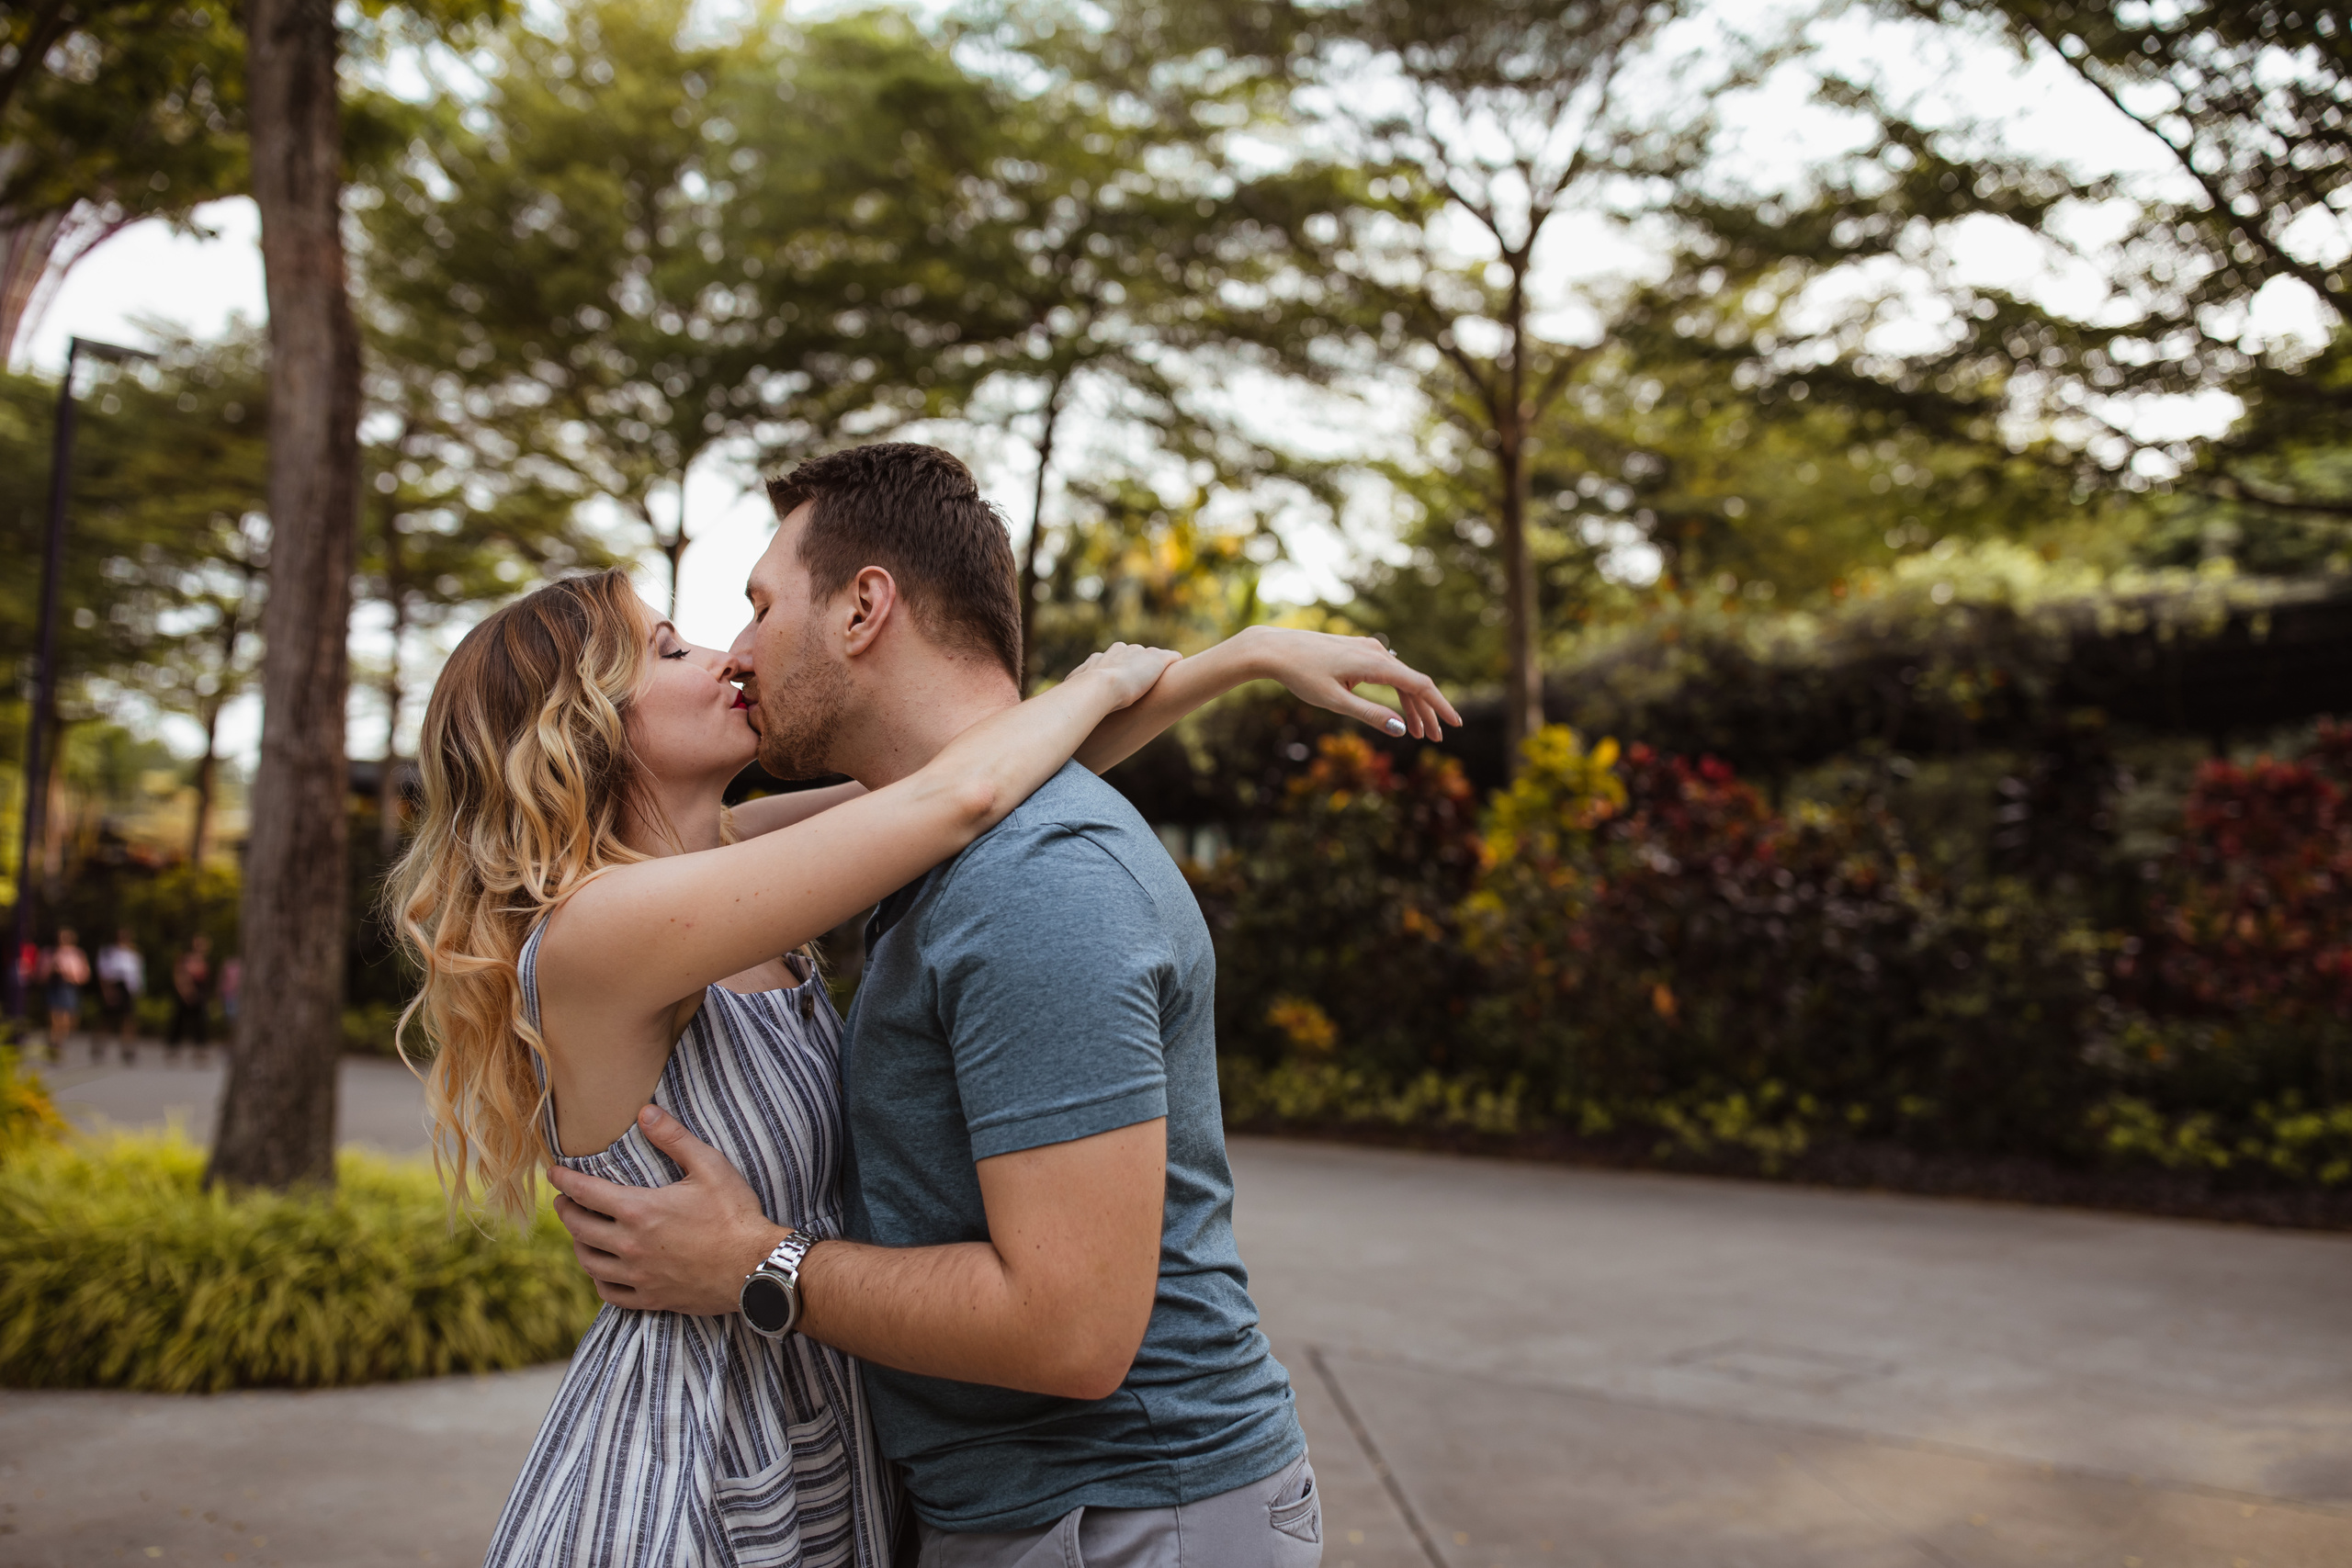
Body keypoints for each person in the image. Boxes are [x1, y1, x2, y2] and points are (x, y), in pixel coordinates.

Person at [390, 446, 1453, 1568]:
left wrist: (1237, 659)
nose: (729, 654)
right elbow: (960, 791)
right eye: (671, 647)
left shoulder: (735, 863)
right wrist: (1099, 673)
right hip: (694, 1452)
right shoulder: (605, 931)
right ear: (583, 724)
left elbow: (976, 775)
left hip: (826, 1418)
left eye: (736, 618)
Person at [96, 929, 145, 1064]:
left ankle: (127, 1048)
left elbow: (137, 974)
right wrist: (106, 990)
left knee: (128, 1019)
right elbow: (103, 972)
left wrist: (137, 990)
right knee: (107, 1019)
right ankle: (100, 1045)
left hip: (127, 988)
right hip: (113, 986)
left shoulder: (133, 955)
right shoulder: (108, 952)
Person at [45, 929, 90, 1061]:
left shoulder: (77, 954)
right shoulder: (51, 953)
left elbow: (85, 975)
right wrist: (53, 969)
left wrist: (70, 975)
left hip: (70, 987)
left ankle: (59, 1041)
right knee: (54, 1017)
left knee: (67, 1019)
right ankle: (54, 1044)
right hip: (55, 986)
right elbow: (41, 974)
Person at [167, 934, 212, 1062]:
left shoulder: (204, 960)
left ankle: (200, 1048)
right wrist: (185, 991)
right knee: (179, 1021)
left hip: (200, 994)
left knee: (200, 1022)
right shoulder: (186, 958)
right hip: (185, 992)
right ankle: (173, 1047)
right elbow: (179, 975)